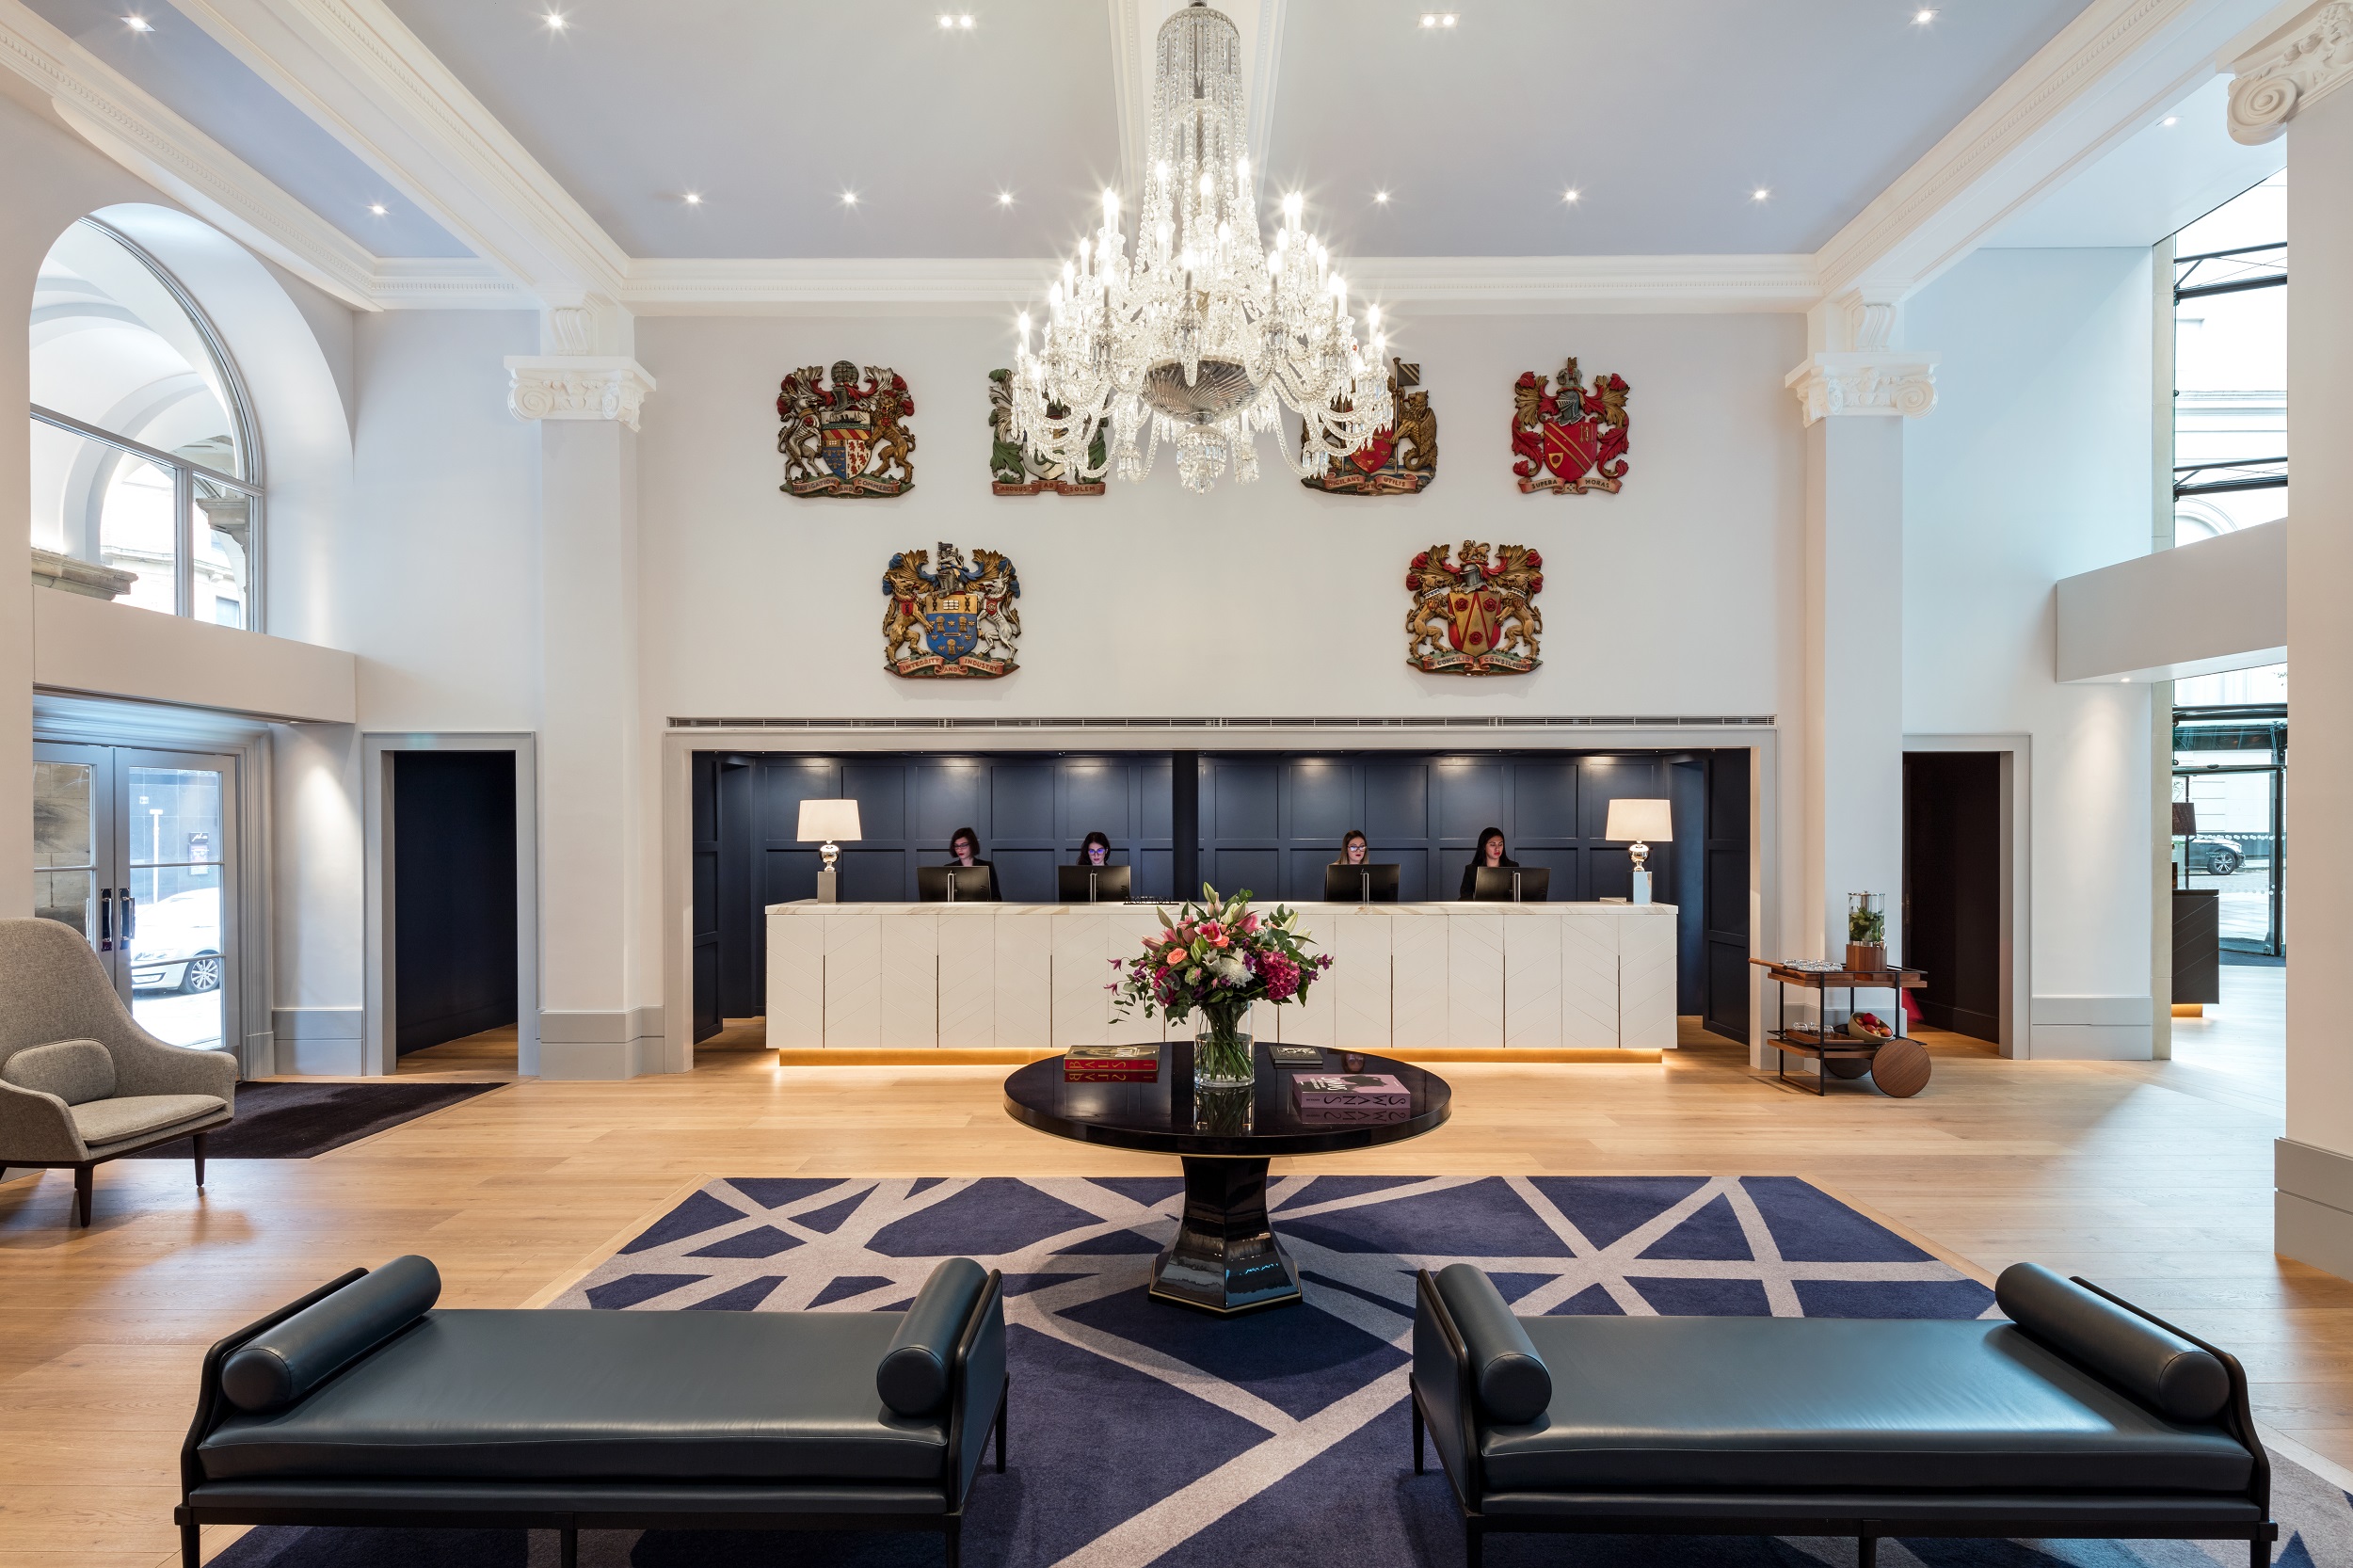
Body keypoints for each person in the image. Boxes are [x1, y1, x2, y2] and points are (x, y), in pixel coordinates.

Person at [1458, 826, 1518, 899]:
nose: (1497, 849)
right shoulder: (1471, 870)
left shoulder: (1513, 867)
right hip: (1481, 906)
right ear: (1483, 846)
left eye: (1500, 844)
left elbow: (1520, 896)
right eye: (1492, 845)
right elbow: (1465, 899)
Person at [946, 826, 998, 900]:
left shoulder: (987, 866)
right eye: (956, 846)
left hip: (981, 907)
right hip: (956, 907)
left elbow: (996, 897)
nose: (959, 849)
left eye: (963, 845)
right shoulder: (948, 869)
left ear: (972, 845)